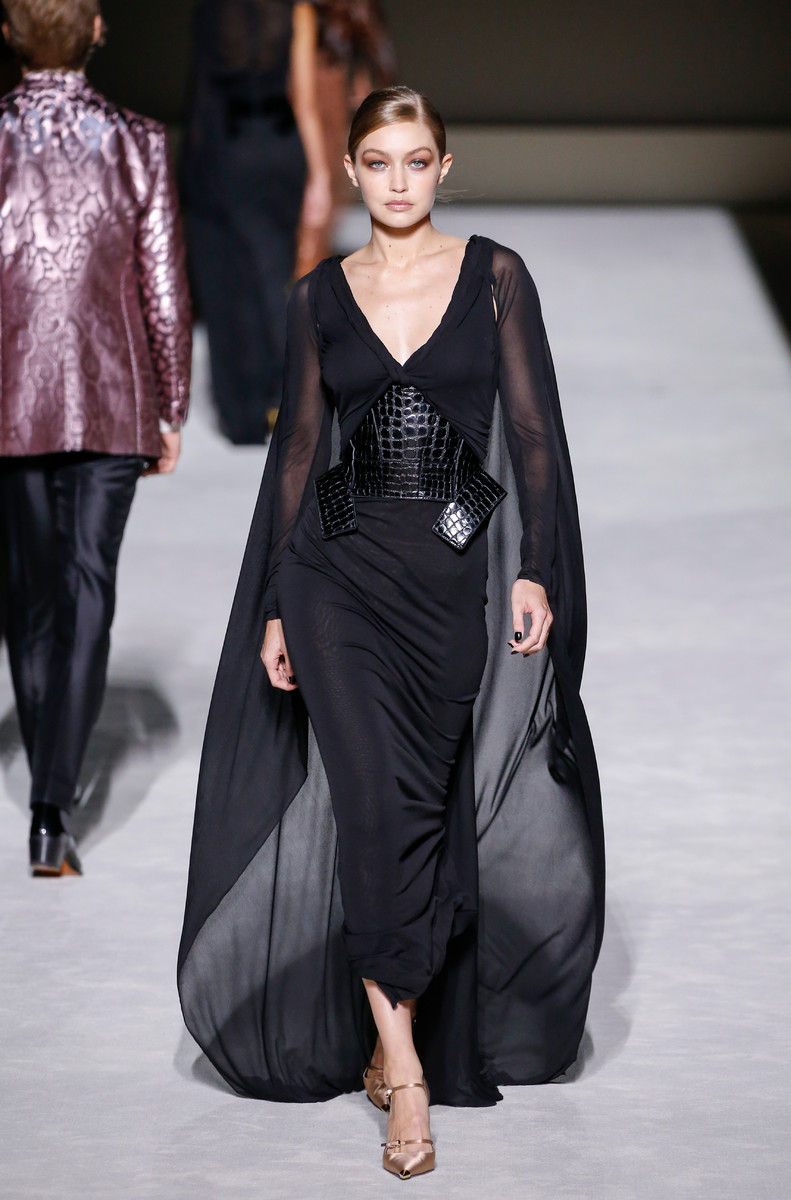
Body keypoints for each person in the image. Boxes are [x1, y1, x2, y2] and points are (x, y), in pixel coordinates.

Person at [179, 87, 603, 1180]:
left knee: (424, 820)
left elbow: (532, 435)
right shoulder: (320, 294)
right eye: (379, 161)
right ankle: (405, 1073)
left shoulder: (495, 276)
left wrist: (537, 570)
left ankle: (389, 1023)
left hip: (447, 590)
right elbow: (296, 454)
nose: (399, 181)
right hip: (334, 582)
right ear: (353, 171)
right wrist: (278, 602)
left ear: (443, 169)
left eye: (417, 161)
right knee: (373, 810)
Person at [0, 0, 192, 877]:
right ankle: (53, 808)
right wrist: (171, 405)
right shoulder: (137, 141)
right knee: (86, 586)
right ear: (99, 32)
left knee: (28, 594)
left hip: (10, 399)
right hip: (112, 396)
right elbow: (163, 282)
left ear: (8, 35)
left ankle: (49, 762)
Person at [182, 0, 331, 444]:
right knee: (271, 273)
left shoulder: (212, 10)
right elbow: (304, 100)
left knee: (225, 277)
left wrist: (191, 168)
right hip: (277, 149)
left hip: (221, 145)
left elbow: (201, 91)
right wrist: (320, 176)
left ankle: (239, 412)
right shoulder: (295, 10)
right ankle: (283, 399)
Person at [294, 0, 396, 278]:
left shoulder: (347, 25)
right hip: (314, 141)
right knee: (311, 233)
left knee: (317, 232)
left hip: (332, 135)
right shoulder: (308, 20)